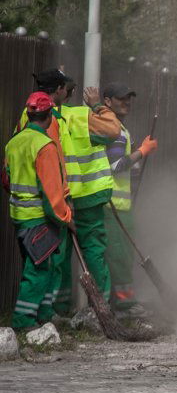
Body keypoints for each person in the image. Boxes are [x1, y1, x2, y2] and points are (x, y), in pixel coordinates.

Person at [20, 69, 122, 314]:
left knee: (57, 254)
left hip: (51, 200)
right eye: (69, 88)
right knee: (94, 252)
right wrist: (97, 104)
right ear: (60, 91)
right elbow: (112, 130)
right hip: (86, 196)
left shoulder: (28, 116)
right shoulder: (80, 115)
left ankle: (58, 309)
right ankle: (102, 309)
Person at [3, 93, 73, 330]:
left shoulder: (14, 141)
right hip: (38, 219)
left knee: (40, 266)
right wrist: (66, 217)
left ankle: (43, 314)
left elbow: (6, 179)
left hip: (19, 216)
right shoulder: (44, 145)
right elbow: (51, 192)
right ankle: (23, 321)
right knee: (38, 270)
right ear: (49, 116)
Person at [101, 83, 158, 315]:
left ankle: (120, 303)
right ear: (107, 102)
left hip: (120, 207)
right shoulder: (114, 131)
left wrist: (136, 155)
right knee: (119, 257)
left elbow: (125, 167)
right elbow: (116, 166)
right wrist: (142, 152)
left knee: (122, 255)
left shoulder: (120, 129)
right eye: (121, 98)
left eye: (129, 98)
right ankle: (124, 306)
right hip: (113, 208)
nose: (127, 102)